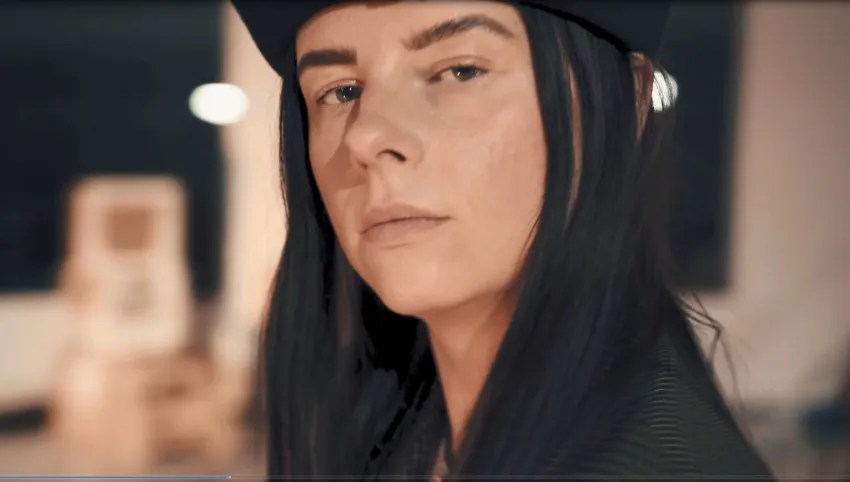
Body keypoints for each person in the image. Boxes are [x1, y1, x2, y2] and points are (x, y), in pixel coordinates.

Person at [233, 1, 774, 479]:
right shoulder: (396, 431)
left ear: (625, 100)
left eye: (461, 71)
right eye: (341, 91)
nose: (366, 136)